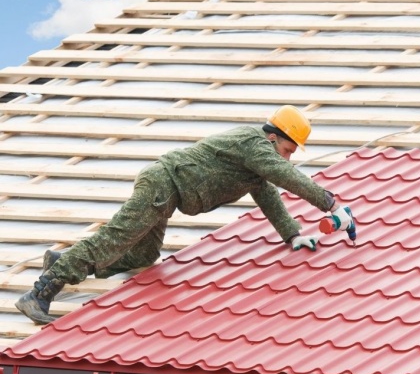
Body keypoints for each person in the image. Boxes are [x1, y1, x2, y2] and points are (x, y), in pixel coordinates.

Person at [16, 105, 354, 325]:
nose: (287, 160)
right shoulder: (255, 145)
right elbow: (286, 178)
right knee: (114, 240)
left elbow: (269, 195)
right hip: (163, 184)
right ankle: (41, 293)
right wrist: (331, 205)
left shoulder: (256, 163)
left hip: (170, 190)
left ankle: (62, 261)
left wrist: (293, 235)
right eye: (286, 151)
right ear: (272, 137)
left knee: (146, 254)